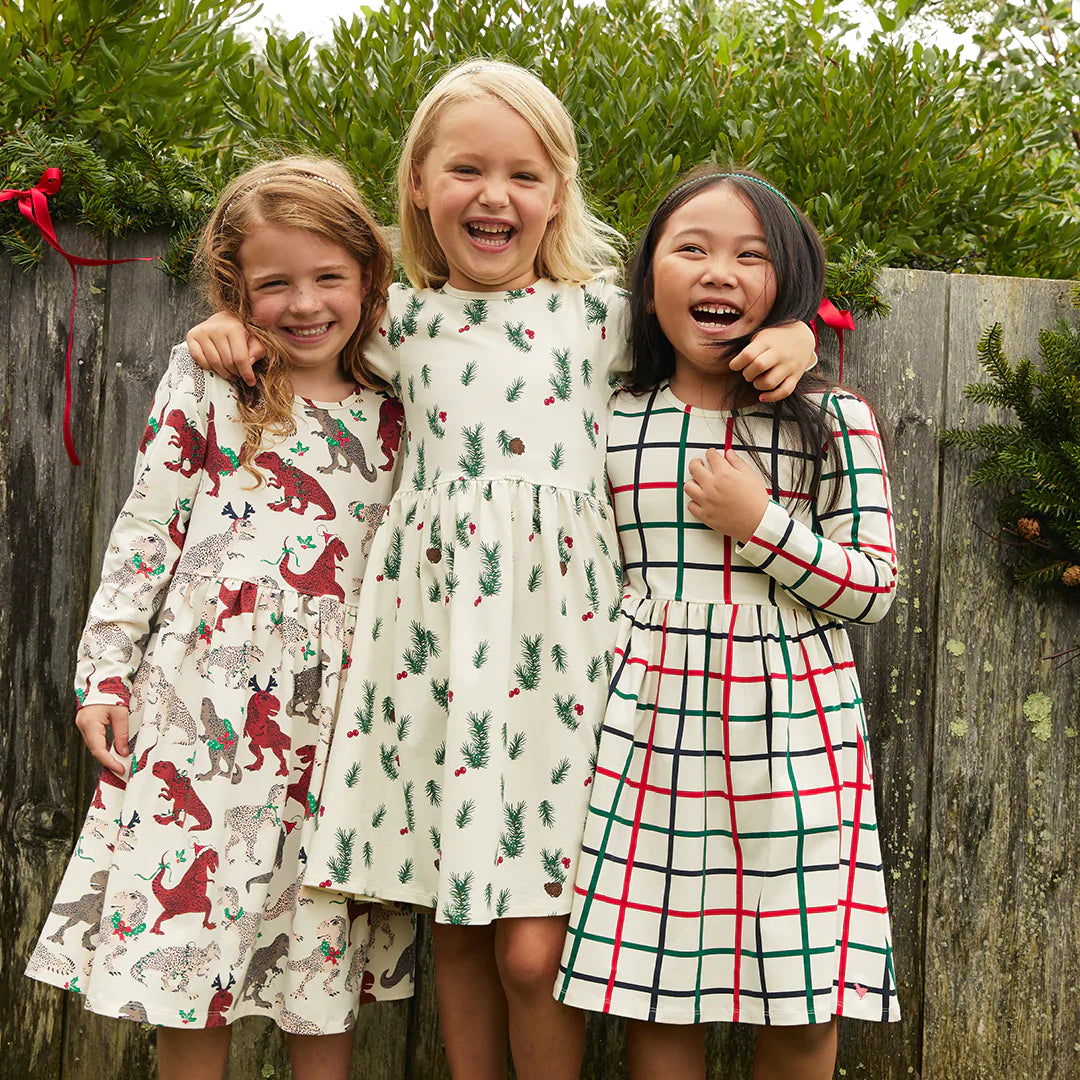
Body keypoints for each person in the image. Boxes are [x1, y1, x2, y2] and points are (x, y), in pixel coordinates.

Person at [185, 61, 817, 1080]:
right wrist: (228, 328)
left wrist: (796, 328)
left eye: (523, 174)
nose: (494, 195)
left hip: (565, 663)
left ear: (557, 191)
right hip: (432, 655)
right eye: (466, 170)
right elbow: (295, 317)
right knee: (456, 925)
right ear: (421, 190)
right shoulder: (397, 322)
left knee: (535, 946)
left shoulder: (602, 319)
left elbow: (722, 315)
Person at [25, 157, 415, 1080]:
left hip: (342, 730)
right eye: (274, 283)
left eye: (329, 277)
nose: (306, 303)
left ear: (368, 276)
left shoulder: (403, 405)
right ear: (236, 292)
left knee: (321, 965)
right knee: (186, 959)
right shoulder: (209, 385)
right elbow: (145, 531)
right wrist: (103, 676)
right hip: (204, 716)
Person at [554, 167, 900, 1079]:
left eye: (751, 256)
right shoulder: (612, 418)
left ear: (788, 285)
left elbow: (871, 587)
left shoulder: (834, 421)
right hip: (651, 730)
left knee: (800, 983)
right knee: (662, 985)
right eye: (692, 249)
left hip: (795, 733)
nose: (719, 272)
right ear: (648, 279)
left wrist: (762, 527)